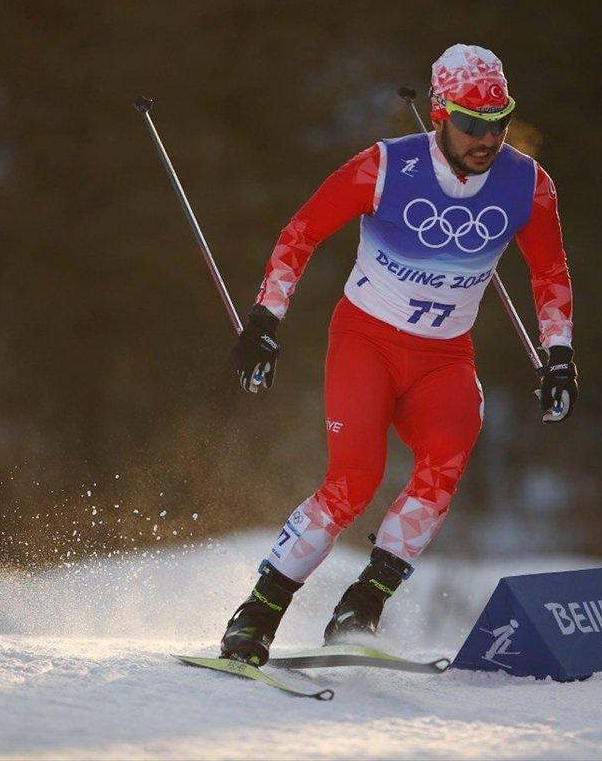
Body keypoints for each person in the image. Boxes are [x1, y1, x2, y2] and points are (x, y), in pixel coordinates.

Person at [221, 43, 576, 666]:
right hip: (366, 343)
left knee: (445, 464)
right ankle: (257, 613)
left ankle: (362, 607)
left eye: (497, 122)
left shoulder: (529, 184)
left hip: (445, 357)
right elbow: (300, 233)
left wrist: (561, 356)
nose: (486, 139)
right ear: (440, 114)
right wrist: (264, 320)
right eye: (470, 123)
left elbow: (550, 273)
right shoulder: (383, 167)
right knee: (353, 481)